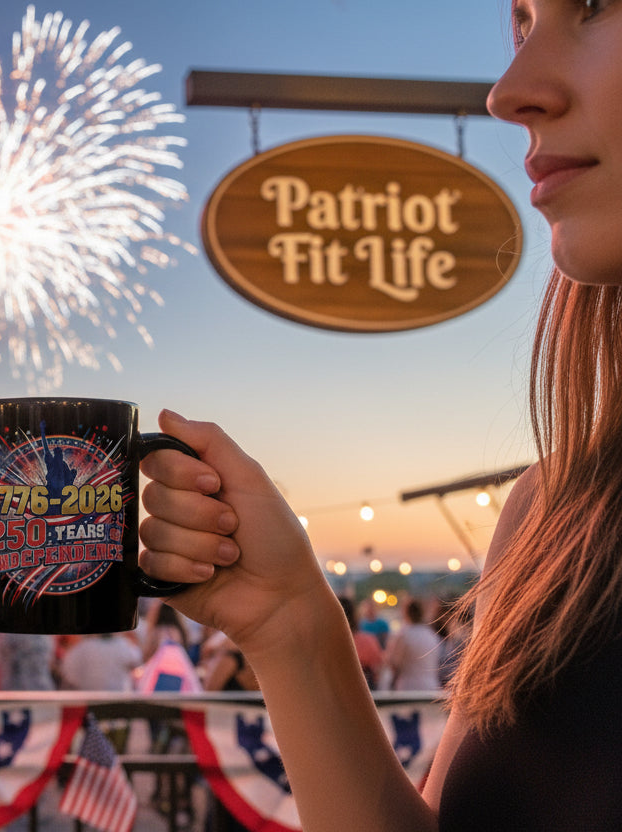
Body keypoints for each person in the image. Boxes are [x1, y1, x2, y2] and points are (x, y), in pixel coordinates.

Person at [138, 7, 622, 817]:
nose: (509, 92)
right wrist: (291, 627)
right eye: (524, 20)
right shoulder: (557, 514)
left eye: (596, 6)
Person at [383, 598, 443, 692]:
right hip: (431, 687)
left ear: (406, 613)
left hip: (408, 687)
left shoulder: (403, 634)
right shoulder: (432, 635)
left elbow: (394, 663)